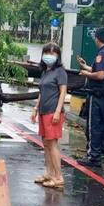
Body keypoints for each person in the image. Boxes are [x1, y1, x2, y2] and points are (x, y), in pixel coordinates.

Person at [77, 27, 104, 168]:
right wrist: (86, 67)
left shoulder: (101, 54)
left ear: (97, 39)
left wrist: (85, 74)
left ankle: (94, 157)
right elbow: (103, 71)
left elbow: (100, 75)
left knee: (94, 125)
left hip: (98, 95)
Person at [30, 43, 67, 189]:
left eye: (52, 53)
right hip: (44, 111)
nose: (49, 56)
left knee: (52, 144)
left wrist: (58, 111)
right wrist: (35, 108)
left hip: (53, 112)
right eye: (46, 53)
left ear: (57, 56)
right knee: (45, 144)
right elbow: (42, 92)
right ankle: (50, 173)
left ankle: (58, 176)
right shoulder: (45, 72)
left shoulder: (60, 72)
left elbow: (63, 92)